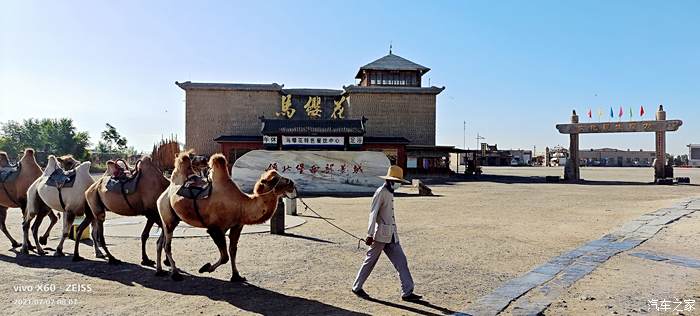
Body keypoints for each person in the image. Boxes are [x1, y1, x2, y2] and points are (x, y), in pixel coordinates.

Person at [351, 165, 422, 302]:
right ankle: (357, 287)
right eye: (396, 181)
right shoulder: (381, 192)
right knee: (370, 261)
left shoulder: (389, 192)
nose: (398, 184)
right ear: (390, 181)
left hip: (392, 235)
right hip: (380, 235)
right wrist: (369, 234)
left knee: (401, 262)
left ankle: (407, 292)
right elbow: (373, 214)